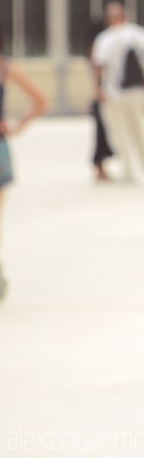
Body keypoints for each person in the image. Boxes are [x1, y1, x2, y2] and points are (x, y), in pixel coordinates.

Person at [0, 32, 49, 301]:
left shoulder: (6, 68)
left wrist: (17, 126)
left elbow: (41, 102)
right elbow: (41, 102)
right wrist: (16, 127)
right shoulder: (6, 68)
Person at [91, 2, 144, 183]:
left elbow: (99, 65)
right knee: (139, 128)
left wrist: (98, 88)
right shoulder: (138, 33)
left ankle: (129, 169)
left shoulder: (105, 38)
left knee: (119, 133)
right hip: (136, 91)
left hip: (114, 93)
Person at [87, 17, 114, 182]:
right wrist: (98, 89)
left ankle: (101, 166)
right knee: (102, 131)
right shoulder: (102, 45)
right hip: (105, 93)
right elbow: (97, 69)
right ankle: (99, 166)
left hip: (105, 92)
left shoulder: (101, 45)